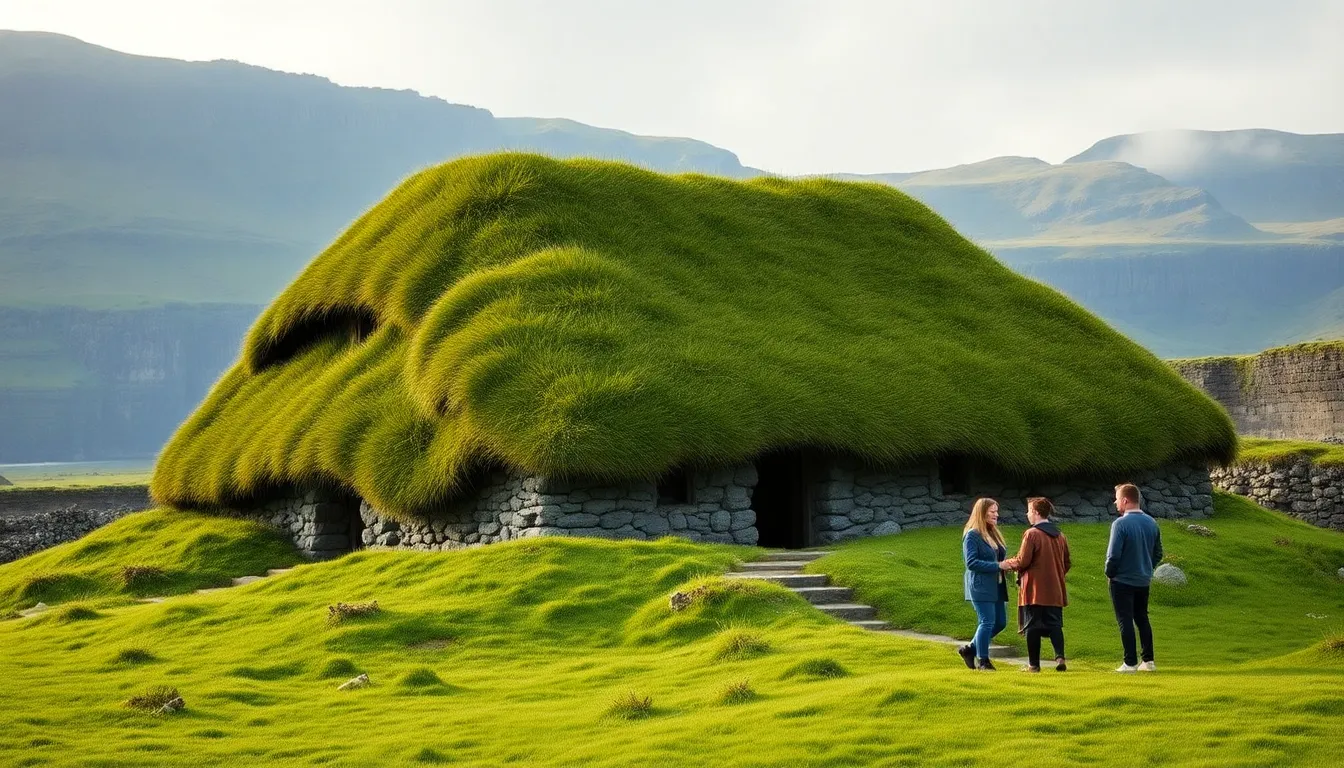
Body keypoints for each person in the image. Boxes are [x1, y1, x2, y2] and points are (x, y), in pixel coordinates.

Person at [1005, 497, 1071, 673]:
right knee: (1055, 624)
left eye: (1028, 510)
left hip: (1033, 589)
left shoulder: (1031, 534)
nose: (1027, 514)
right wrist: (1056, 576)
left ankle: (1033, 665)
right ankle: (1060, 658)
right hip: (1055, 590)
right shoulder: (1060, 535)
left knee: (1032, 626)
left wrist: (1006, 564)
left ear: (1035, 512)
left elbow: (1023, 561)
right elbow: (1067, 563)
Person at [1106, 483, 1164, 673]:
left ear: (1125, 500)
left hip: (1122, 580)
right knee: (1142, 618)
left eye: (1117, 499)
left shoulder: (1120, 524)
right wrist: (1147, 568)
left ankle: (1129, 662)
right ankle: (1148, 661)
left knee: (1125, 620)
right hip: (1143, 579)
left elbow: (1113, 555)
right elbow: (1158, 553)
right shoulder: (1151, 523)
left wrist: (1110, 573)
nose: (1115, 502)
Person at [957, 498, 1013, 671]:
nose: (997, 514)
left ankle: (970, 649)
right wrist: (998, 566)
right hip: (980, 585)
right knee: (987, 621)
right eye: (992, 511)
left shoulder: (992, 533)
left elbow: (999, 558)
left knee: (1000, 622)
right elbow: (971, 563)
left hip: (996, 585)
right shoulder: (972, 535)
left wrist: (1008, 565)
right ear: (982, 513)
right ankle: (983, 661)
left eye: (997, 511)